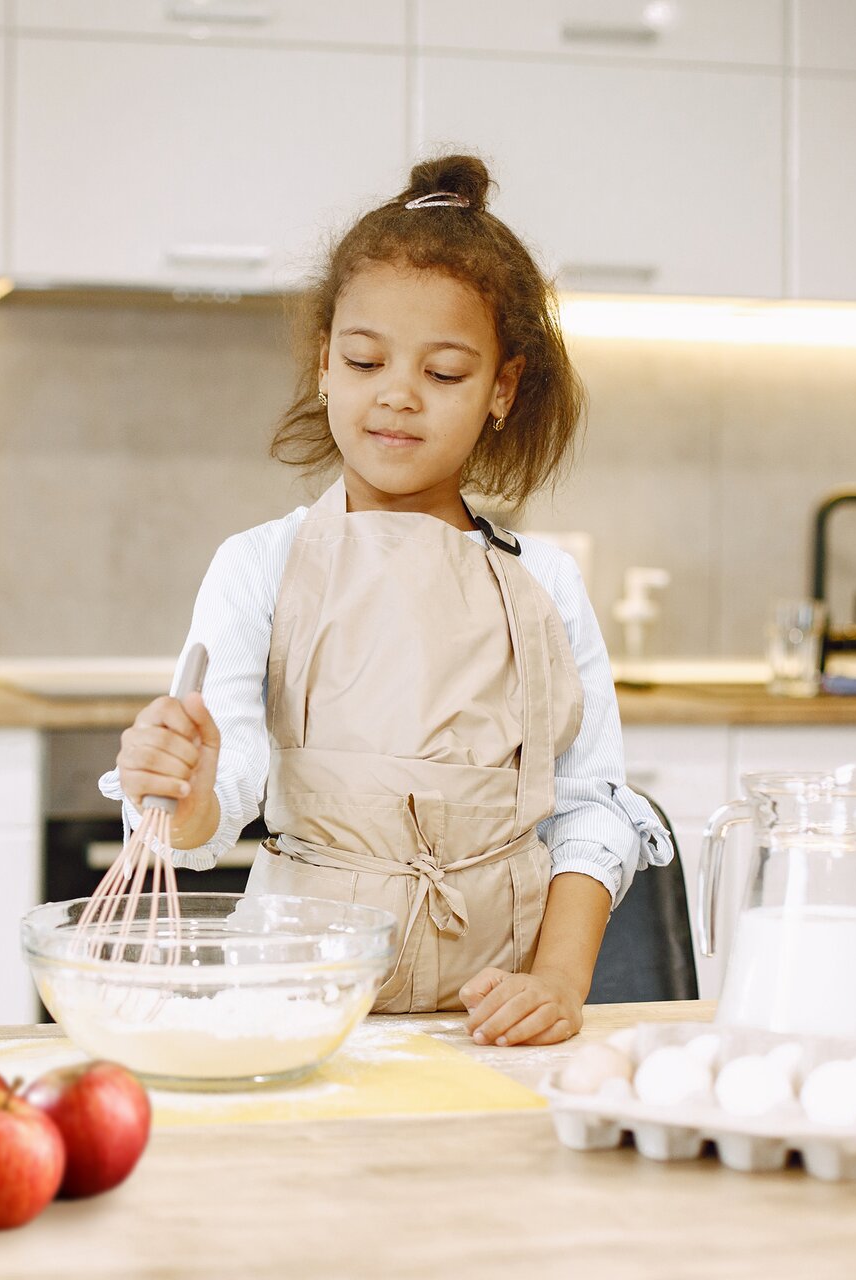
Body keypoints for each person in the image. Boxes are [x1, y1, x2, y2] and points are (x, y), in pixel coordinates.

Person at [101, 153, 673, 1047]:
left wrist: (558, 985)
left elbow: (588, 806)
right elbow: (224, 793)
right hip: (297, 1008)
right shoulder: (259, 565)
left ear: (502, 389)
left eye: (443, 373)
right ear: (325, 364)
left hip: (491, 1022)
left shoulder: (545, 584)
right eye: (365, 360)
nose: (398, 395)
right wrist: (188, 788)